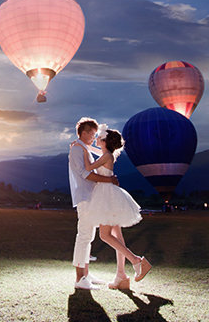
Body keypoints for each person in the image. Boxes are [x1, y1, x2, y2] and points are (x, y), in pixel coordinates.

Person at [79, 125, 151, 290]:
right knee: (117, 235)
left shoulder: (106, 156)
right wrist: (85, 146)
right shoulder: (106, 154)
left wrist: (83, 151)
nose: (95, 138)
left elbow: (89, 168)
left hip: (106, 196)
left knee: (105, 236)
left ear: (103, 141)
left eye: (98, 136)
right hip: (111, 195)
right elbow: (97, 153)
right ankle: (121, 275)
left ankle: (136, 261)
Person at [69, 117, 121, 290]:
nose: (93, 137)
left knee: (89, 237)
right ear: (83, 133)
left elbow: (102, 155)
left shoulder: (82, 147)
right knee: (83, 236)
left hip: (91, 197)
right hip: (84, 196)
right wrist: (108, 180)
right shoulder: (77, 149)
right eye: (91, 134)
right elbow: (85, 174)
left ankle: (85, 274)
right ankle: (79, 279)